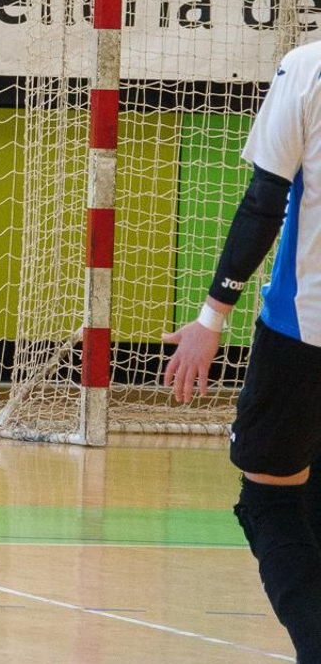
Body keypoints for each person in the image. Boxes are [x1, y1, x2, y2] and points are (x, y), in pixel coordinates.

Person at [164, 39, 321, 662]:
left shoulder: (308, 66)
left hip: (304, 328)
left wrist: (211, 317)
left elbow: (265, 200)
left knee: (269, 497)